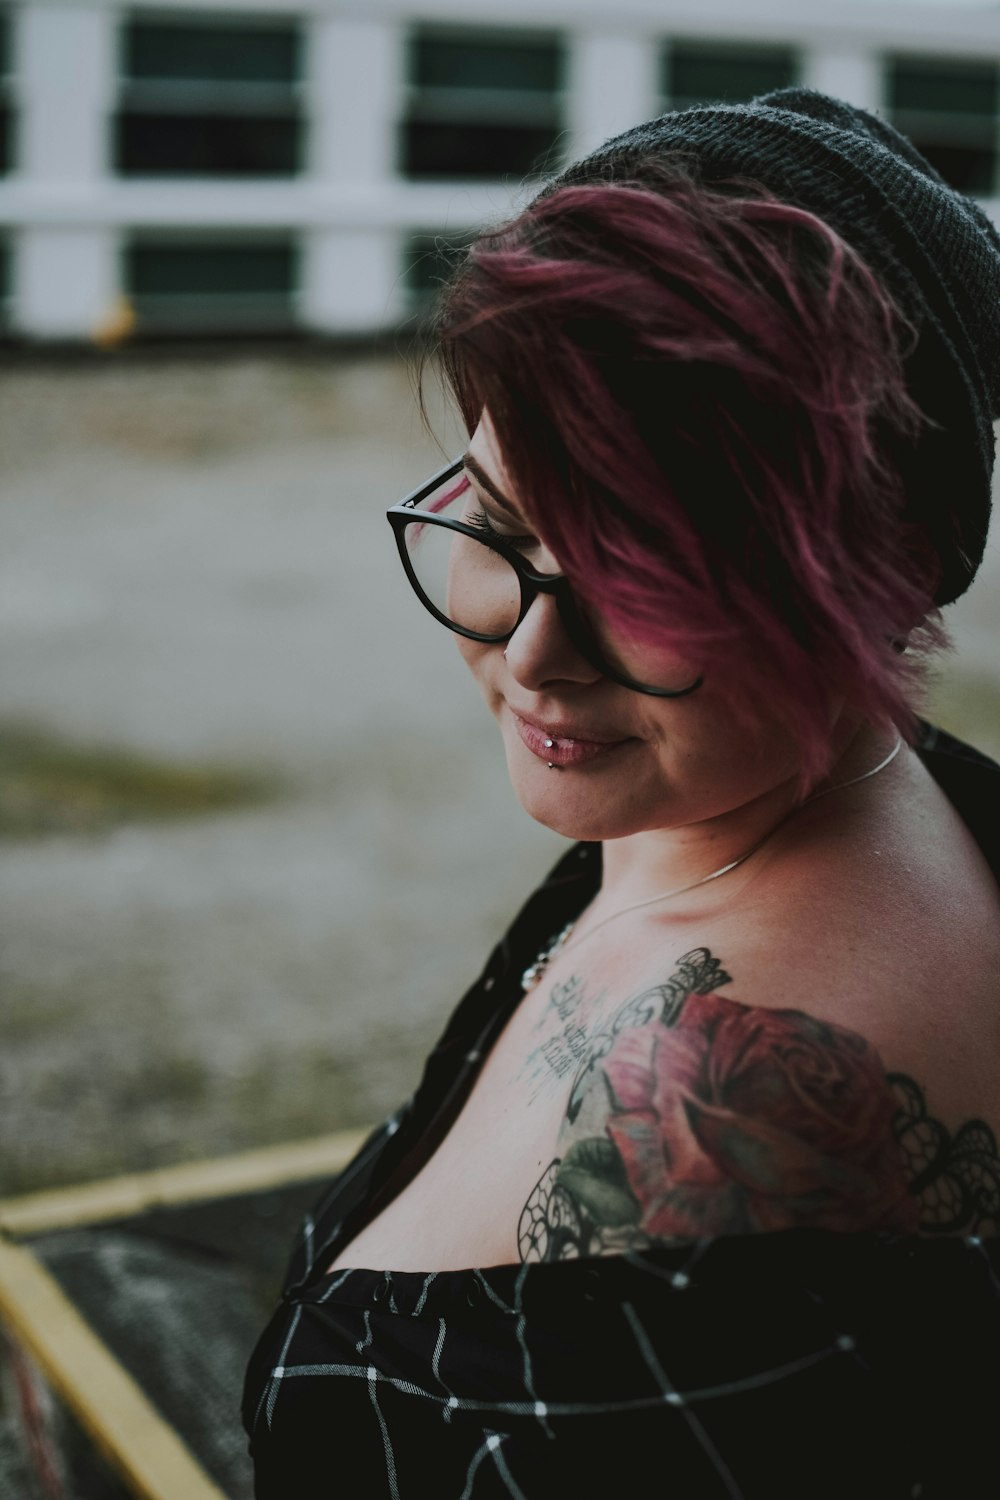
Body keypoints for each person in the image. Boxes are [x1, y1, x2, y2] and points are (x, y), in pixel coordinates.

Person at [242, 89, 1000, 1497]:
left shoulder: (722, 1282)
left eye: (647, 573)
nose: (530, 653)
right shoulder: (730, 815)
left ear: (887, 575)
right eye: (496, 524)